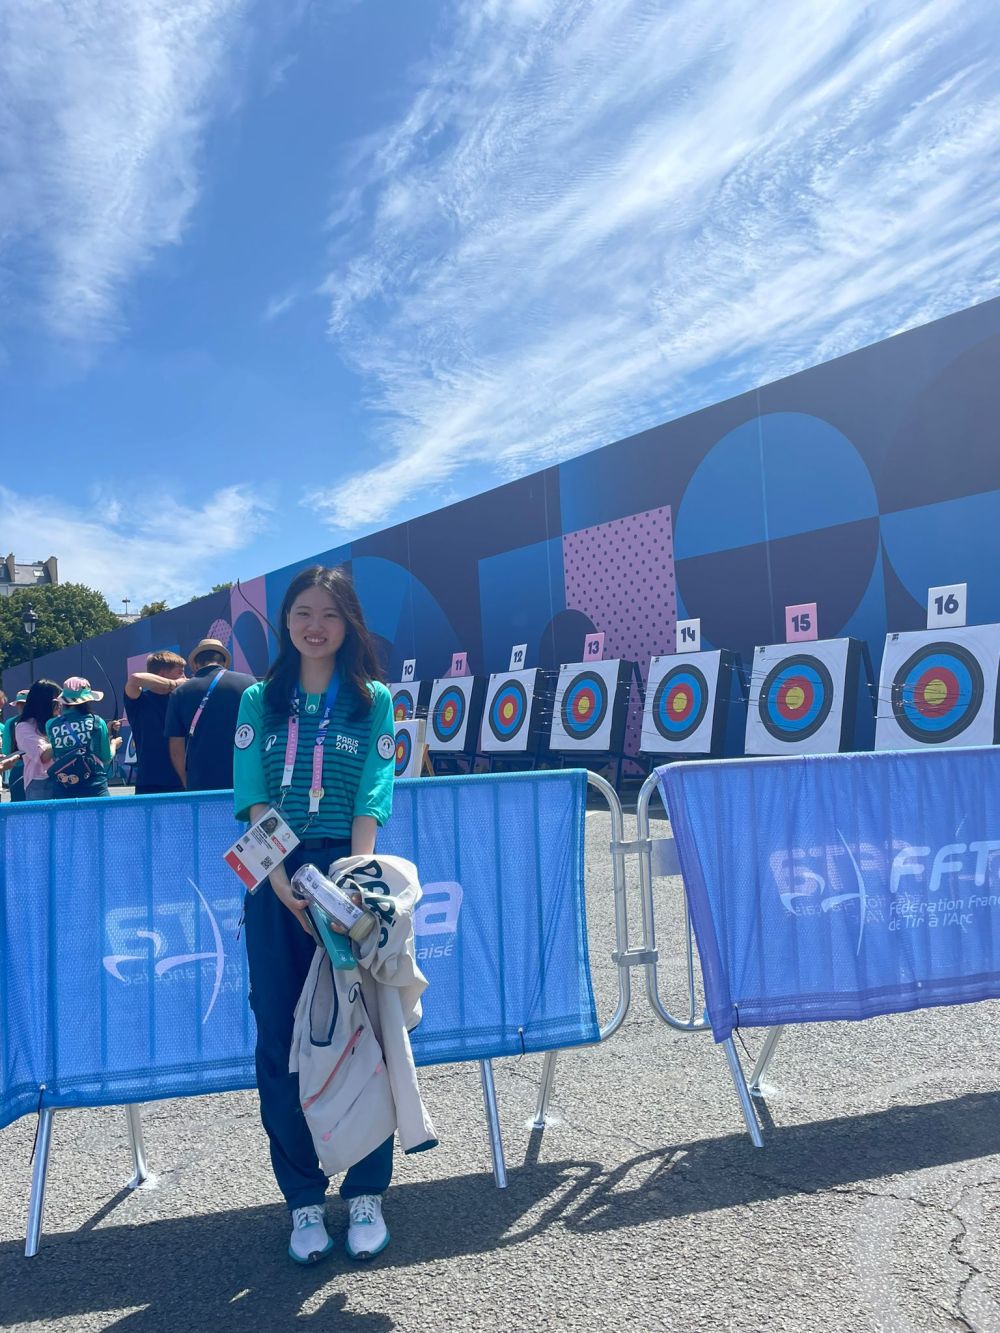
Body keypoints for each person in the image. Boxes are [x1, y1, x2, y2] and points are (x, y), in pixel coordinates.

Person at [232, 565, 396, 1266]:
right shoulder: (260, 699)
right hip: (276, 873)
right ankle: (302, 1197)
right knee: (279, 1040)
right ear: (286, 621)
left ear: (349, 622)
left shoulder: (373, 700)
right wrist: (278, 882)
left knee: (366, 1033)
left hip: (346, 875)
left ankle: (367, 1191)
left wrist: (353, 880)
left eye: (330, 613)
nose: (315, 625)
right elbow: (252, 795)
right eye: (303, 611)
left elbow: (373, 792)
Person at [164, 638, 254, 791]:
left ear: (196, 665)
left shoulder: (180, 692)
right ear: (224, 662)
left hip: (200, 780)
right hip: (244, 776)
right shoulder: (248, 683)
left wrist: (186, 780)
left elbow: (176, 745)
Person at [46, 677, 122, 799]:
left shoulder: (51, 724)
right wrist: (113, 744)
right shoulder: (97, 722)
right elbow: (106, 757)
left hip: (64, 786)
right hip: (95, 787)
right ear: (87, 700)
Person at [124, 651, 187, 795]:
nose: (184, 677)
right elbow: (135, 679)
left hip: (180, 780)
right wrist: (175, 684)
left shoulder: (180, 700)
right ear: (162, 673)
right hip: (149, 782)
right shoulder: (139, 701)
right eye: (180, 672)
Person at [15, 680, 61, 799]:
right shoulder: (24, 727)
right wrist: (64, 739)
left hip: (64, 778)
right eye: (57, 701)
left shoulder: (59, 722)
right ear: (44, 702)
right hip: (40, 783)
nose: (60, 704)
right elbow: (43, 755)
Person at [1, 690, 29, 801]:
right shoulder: (40, 721)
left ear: (17, 705)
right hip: (39, 771)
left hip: (17, 769)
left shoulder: (10, 723)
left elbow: (6, 751)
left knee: (18, 806)